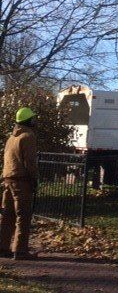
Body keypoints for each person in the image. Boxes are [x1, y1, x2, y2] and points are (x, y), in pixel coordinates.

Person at [0, 107, 38, 260]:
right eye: (33, 119)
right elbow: (30, 161)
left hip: (7, 180)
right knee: (23, 215)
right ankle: (20, 251)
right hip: (21, 181)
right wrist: (34, 179)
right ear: (28, 120)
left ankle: (2, 248)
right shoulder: (28, 136)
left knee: (7, 216)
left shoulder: (11, 138)